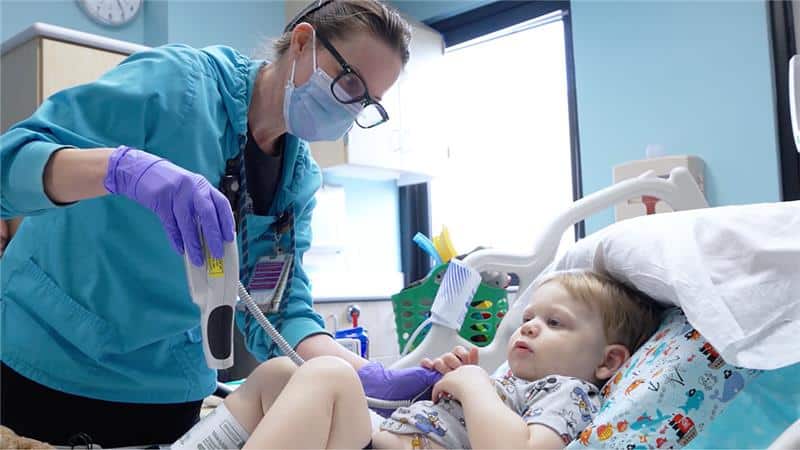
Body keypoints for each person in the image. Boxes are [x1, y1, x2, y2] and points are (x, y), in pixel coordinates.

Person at [0, 0, 440, 446]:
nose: (350, 109)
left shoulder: (298, 180)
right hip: (50, 363)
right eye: (349, 84)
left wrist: (365, 375)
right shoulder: (177, 84)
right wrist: (119, 170)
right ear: (304, 43)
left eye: (368, 103)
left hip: (171, 393)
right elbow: (10, 165)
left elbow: (278, 310)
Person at [173, 270, 664, 449]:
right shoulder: (503, 381)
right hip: (381, 438)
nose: (530, 325)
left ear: (608, 361)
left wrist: (473, 387)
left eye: (555, 324)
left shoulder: (570, 393)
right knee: (280, 372)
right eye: (530, 316)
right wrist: (463, 379)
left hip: (382, 443)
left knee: (326, 373)